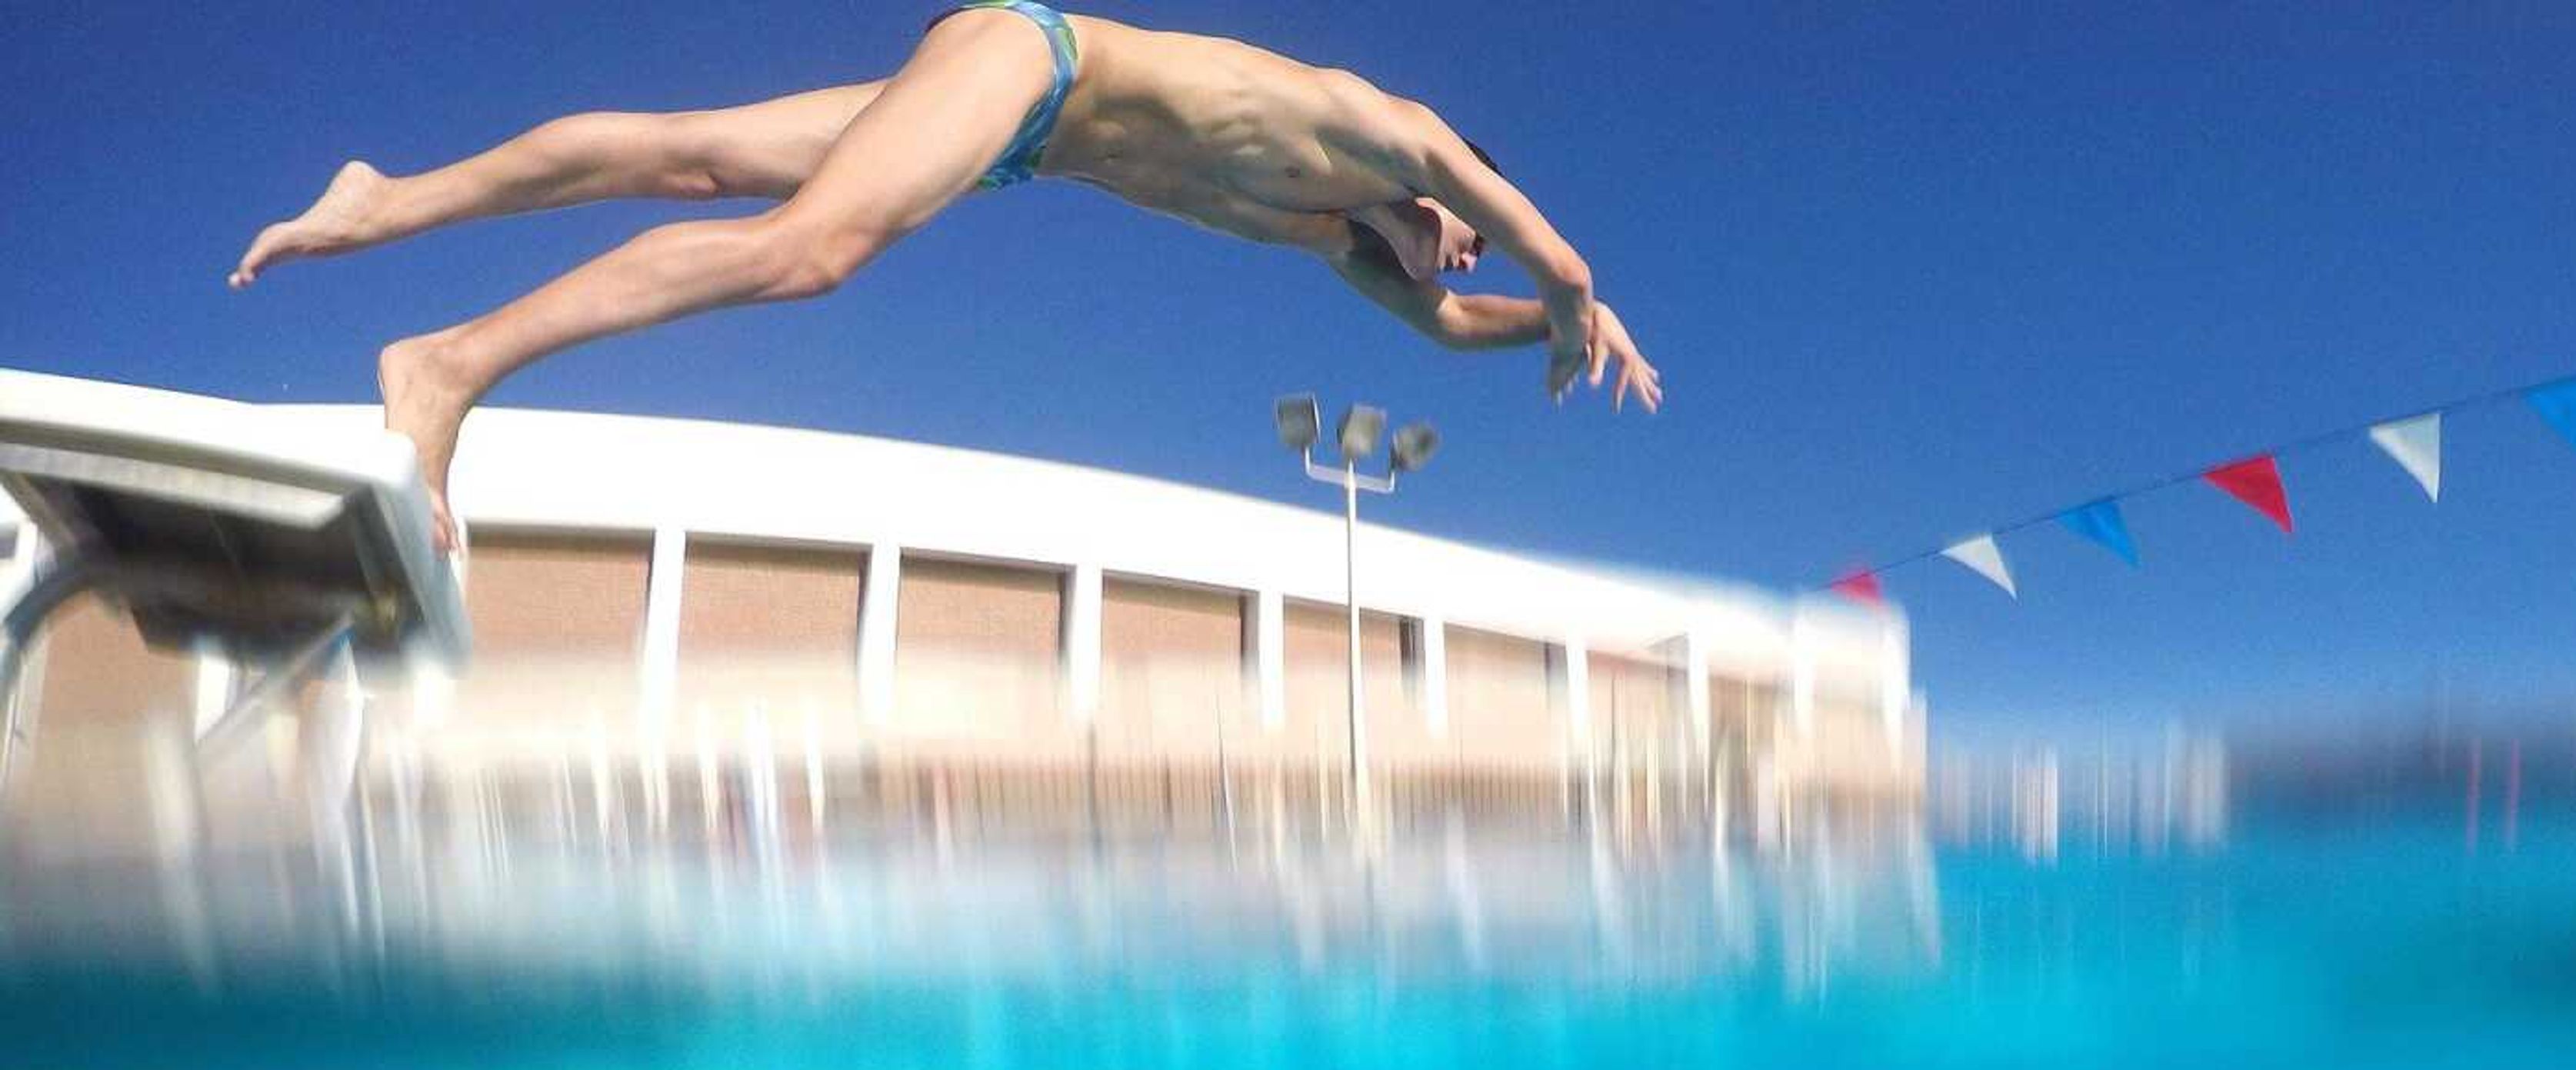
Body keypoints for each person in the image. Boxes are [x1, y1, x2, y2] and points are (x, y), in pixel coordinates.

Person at [228, 4, 1664, 551]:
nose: (1452, 253)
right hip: (1030, 58)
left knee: (699, 160)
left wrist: (1547, 335)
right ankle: (448, 368)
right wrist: (1579, 300)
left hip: (1010, 142)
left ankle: (383, 200)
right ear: (1442, 188)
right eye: (1454, 225)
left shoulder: (1331, 237)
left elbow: (1457, 327)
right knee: (810, 253)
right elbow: (1545, 250)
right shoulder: (1382, 128)